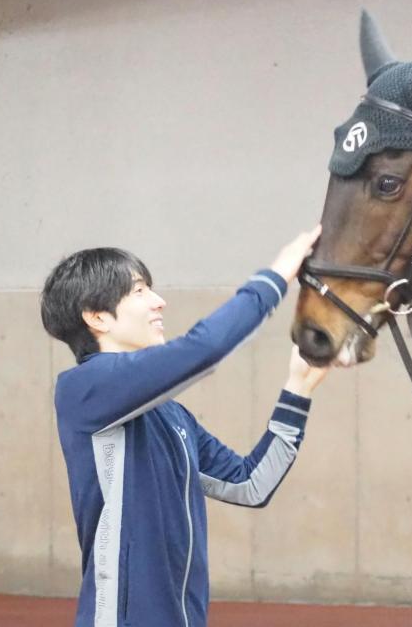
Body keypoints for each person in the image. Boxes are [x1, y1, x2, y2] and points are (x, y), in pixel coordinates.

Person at [40, 226, 327, 627]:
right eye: (139, 291)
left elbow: (251, 483)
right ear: (96, 316)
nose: (159, 302)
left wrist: (299, 386)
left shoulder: (171, 415)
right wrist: (279, 274)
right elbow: (203, 350)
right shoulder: (83, 388)